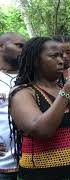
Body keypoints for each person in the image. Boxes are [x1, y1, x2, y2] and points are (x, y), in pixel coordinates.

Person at [8, 37, 70, 179]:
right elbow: (42, 130)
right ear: (36, 60)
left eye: (61, 55)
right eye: (54, 56)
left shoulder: (66, 90)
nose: (61, 60)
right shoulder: (22, 93)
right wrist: (67, 87)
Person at [0, 32, 25, 180]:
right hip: (4, 166)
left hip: (33, 161)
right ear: (1, 46)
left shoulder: (31, 76)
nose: (23, 50)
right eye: (19, 45)